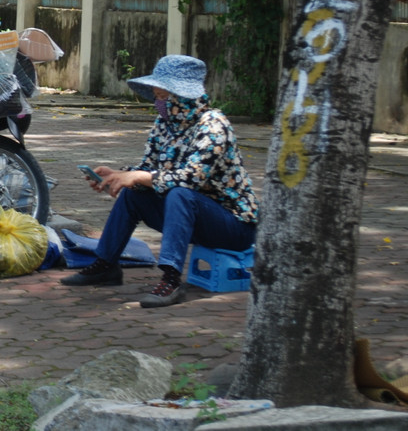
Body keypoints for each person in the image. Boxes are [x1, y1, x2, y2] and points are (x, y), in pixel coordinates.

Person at [59, 55, 259, 308]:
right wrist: (117, 176)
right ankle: (105, 265)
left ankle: (171, 279)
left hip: (233, 225)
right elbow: (149, 170)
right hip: (192, 216)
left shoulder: (214, 126)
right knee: (135, 193)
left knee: (179, 193)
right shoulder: (164, 124)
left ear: (181, 95)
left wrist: (137, 176)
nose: (158, 102)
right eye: (156, 95)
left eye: (163, 96)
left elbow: (190, 178)